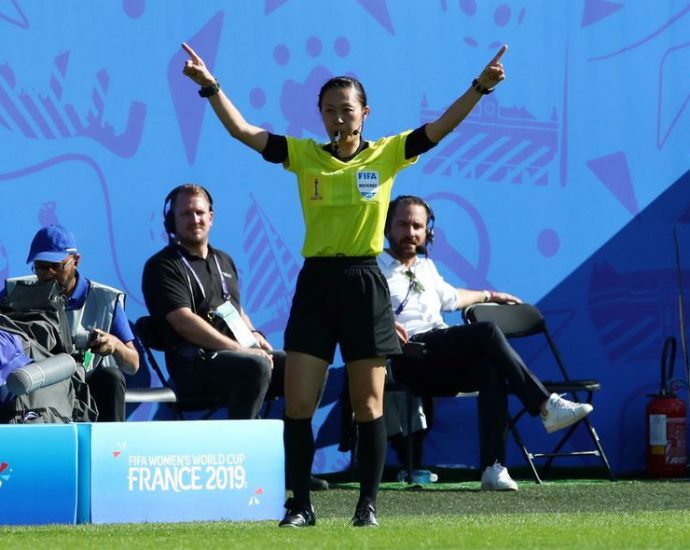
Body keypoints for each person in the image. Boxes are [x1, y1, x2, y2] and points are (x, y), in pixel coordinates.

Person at [180, 41, 507, 527]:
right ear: (319, 114)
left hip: (365, 283)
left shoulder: (389, 153)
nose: (337, 117)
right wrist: (211, 87)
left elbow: (440, 128)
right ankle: (299, 506)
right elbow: (243, 131)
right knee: (298, 402)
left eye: (346, 109)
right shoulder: (303, 155)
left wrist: (479, 87)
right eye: (329, 109)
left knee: (368, 402)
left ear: (364, 114)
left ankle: (367, 506)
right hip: (317, 284)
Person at [379, 195, 594, 490]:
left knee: (490, 368)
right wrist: (384, 323)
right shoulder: (373, 267)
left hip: (440, 357)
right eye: (403, 224)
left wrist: (491, 296)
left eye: (417, 225)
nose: (410, 232)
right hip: (408, 359)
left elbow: (453, 297)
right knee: (488, 331)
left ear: (427, 231)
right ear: (387, 227)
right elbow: (355, 311)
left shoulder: (426, 268)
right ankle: (546, 405)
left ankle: (493, 468)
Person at [142, 184, 279, 420]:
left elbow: (234, 308)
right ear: (171, 221)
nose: (194, 219)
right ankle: (241, 447)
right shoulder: (162, 266)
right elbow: (183, 321)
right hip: (194, 366)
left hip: (235, 356)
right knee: (255, 366)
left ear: (211, 217)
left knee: (296, 368)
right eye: (185, 214)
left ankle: (293, 447)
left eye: (199, 213)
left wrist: (253, 335)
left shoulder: (224, 260)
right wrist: (240, 350)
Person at [4, 225, 139, 421]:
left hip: (86, 383)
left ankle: (109, 449)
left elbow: (133, 364)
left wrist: (115, 345)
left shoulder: (105, 300)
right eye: (41, 267)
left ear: (75, 261)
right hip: (36, 384)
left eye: (56, 266)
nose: (48, 274)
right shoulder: (15, 292)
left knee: (111, 377)